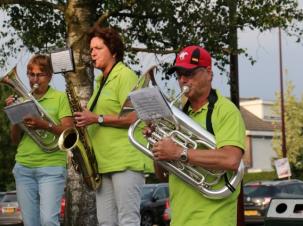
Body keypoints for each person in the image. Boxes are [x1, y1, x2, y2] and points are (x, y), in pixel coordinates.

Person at [149, 45, 246, 226]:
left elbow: (232, 159)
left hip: (213, 219)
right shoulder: (178, 117)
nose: (183, 80)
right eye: (179, 75)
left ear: (209, 73)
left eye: (190, 73)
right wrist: (158, 147)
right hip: (180, 219)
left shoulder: (225, 111)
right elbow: (163, 176)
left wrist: (179, 152)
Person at [74, 25, 153, 226]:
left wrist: (97, 118)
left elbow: (135, 117)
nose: (92, 53)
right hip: (103, 163)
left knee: (127, 221)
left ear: (113, 51)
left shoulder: (125, 76)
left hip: (124, 161)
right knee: (105, 222)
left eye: (98, 48)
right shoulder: (101, 81)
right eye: (91, 49)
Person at [5, 54, 73, 226]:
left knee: (49, 221)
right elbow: (14, 139)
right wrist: (14, 114)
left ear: (49, 76)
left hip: (51, 167)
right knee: (30, 222)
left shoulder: (60, 98)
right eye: (31, 74)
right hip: (24, 166)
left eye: (40, 75)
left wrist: (44, 125)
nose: (34, 79)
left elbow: (68, 131)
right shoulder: (22, 99)